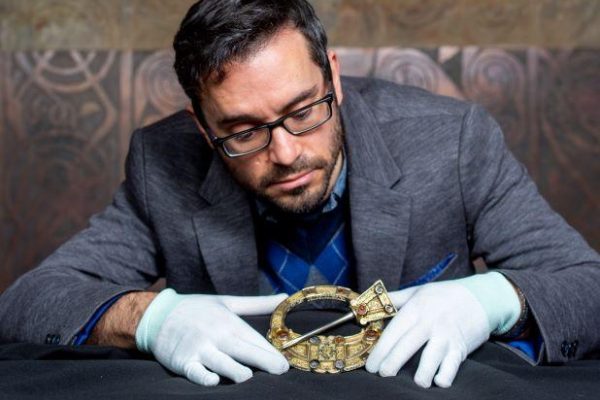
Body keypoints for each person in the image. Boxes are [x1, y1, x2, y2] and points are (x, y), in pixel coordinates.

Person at [1, 0, 599, 389]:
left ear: (333, 76)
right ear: (202, 124)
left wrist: (492, 299)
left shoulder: (452, 140)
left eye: (303, 111)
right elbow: (32, 302)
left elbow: (586, 284)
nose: (285, 153)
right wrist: (150, 318)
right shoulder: (162, 161)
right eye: (242, 131)